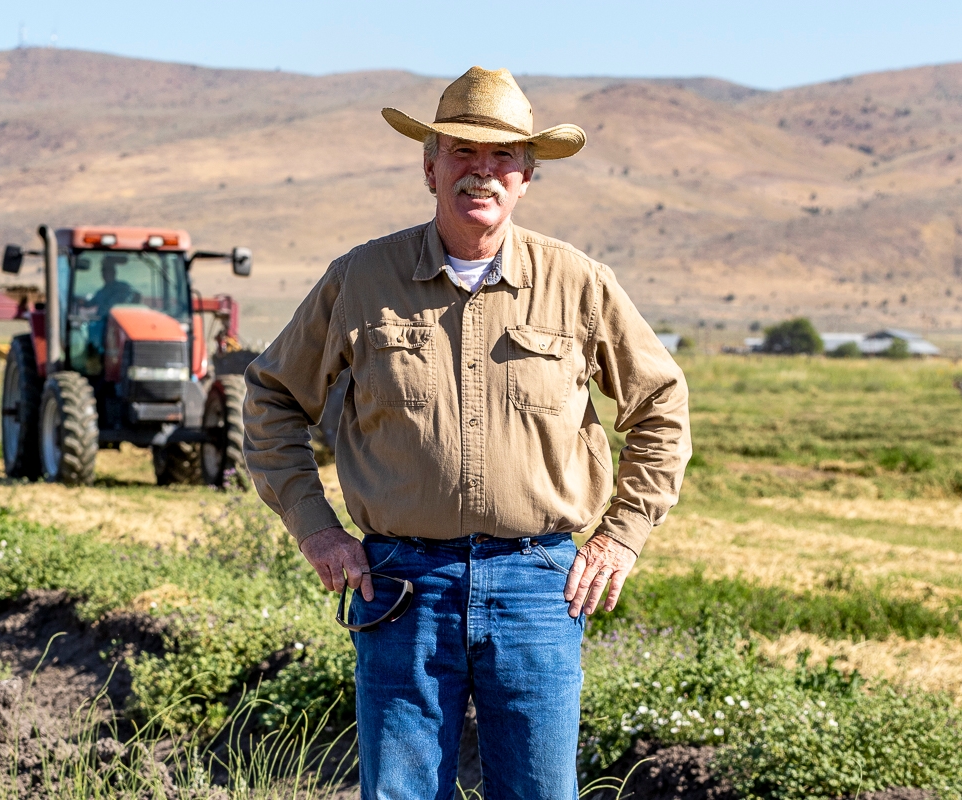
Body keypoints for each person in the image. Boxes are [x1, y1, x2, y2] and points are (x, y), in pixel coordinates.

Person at [243, 66, 691, 799]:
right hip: (400, 585)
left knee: (541, 792)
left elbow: (661, 406)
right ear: (428, 167)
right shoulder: (361, 279)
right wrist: (316, 529)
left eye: (502, 157)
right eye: (461, 153)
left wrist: (622, 534)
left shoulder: (577, 282)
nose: (481, 172)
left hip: (539, 584)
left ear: (525, 178)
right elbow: (270, 397)